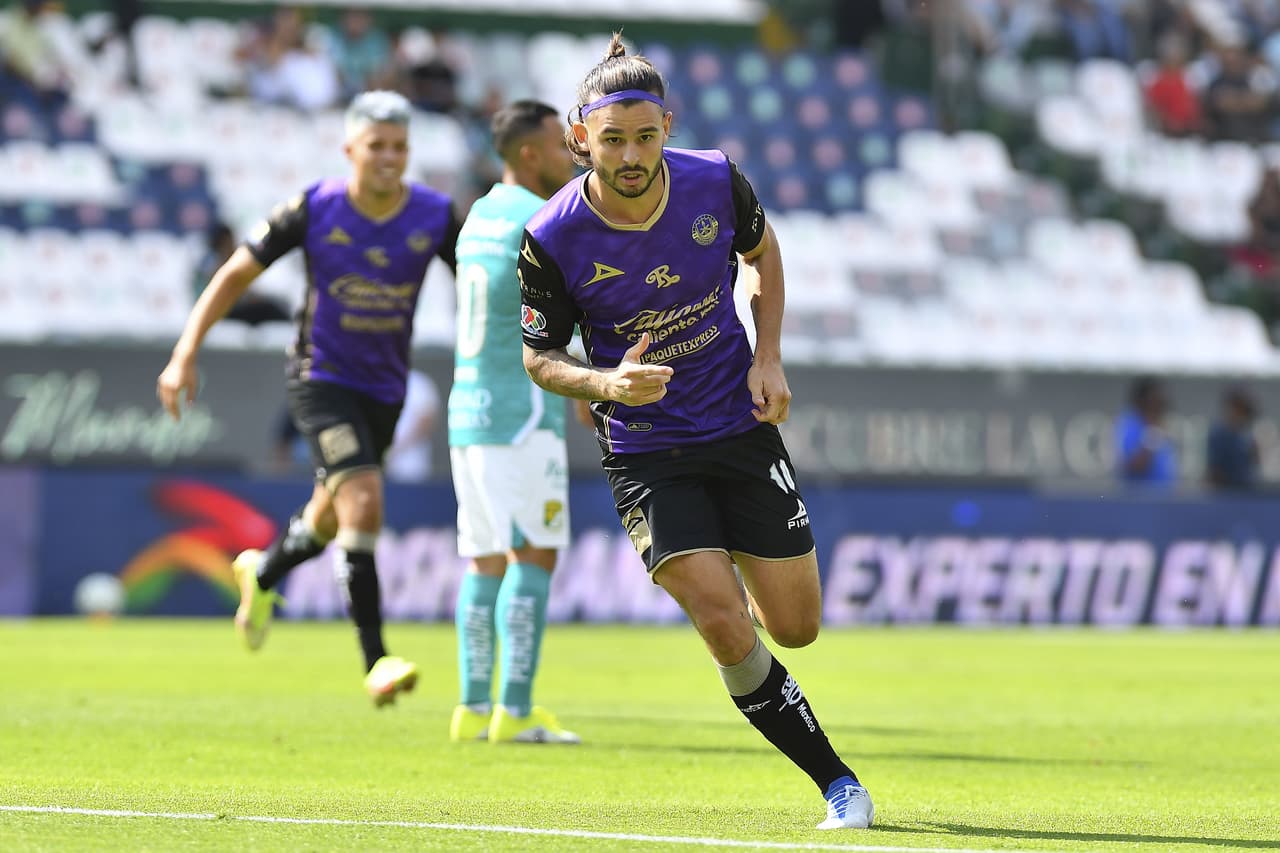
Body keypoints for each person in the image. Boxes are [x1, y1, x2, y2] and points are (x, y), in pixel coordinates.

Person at [516, 35, 873, 829]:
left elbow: (763, 253)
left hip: (737, 426)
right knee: (723, 620)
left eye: (646, 136)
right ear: (581, 138)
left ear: (668, 126)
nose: (632, 154)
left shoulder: (716, 180)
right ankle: (838, 783)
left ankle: (732, 575)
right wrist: (605, 383)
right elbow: (539, 357)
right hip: (645, 451)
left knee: (796, 627)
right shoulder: (552, 236)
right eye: (613, 139)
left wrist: (769, 357)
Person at [156, 90, 460, 706]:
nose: (389, 158)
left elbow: (485, 283)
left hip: (386, 388)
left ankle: (263, 571)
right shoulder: (314, 207)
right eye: (376, 146)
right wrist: (185, 352)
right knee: (364, 499)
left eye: (400, 147)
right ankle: (376, 659)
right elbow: (236, 274)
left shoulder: (434, 214)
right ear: (350, 148)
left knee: (331, 511)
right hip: (321, 380)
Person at [445, 100, 581, 745]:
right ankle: (516, 711)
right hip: (522, 413)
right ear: (530, 154)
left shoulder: (478, 217)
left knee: (483, 560)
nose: (570, 154)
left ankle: (473, 707)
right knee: (534, 554)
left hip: (468, 410)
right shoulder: (540, 217)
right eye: (560, 144)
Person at [1115, 375, 1178, 488]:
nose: (1160, 404)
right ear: (1144, 399)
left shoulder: (1162, 423)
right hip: (1138, 500)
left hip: (1165, 499)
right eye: (1155, 399)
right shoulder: (1131, 423)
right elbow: (1132, 466)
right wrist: (1154, 436)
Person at [383, 368, 441, 483]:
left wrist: (395, 449)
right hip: (379, 471)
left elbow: (427, 420)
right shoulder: (377, 381)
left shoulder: (419, 382)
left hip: (411, 468)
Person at [1206, 385, 1260, 490]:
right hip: (1226, 495)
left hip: (1247, 492)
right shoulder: (1219, 435)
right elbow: (1214, 472)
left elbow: (1254, 465)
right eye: (1241, 410)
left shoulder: (1246, 435)